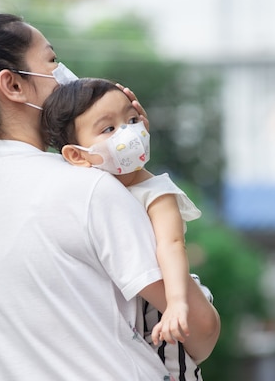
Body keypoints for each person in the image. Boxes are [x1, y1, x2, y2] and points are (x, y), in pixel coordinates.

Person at [0, 13, 220, 380]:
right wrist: (132, 169)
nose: (64, 73)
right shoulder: (88, 190)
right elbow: (200, 330)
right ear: (13, 85)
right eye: (52, 60)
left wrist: (115, 152)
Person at [41, 78, 214, 380]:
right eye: (108, 129)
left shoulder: (156, 191)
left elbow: (172, 244)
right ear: (76, 155)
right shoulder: (91, 189)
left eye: (132, 121)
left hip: (165, 308)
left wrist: (175, 303)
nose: (127, 133)